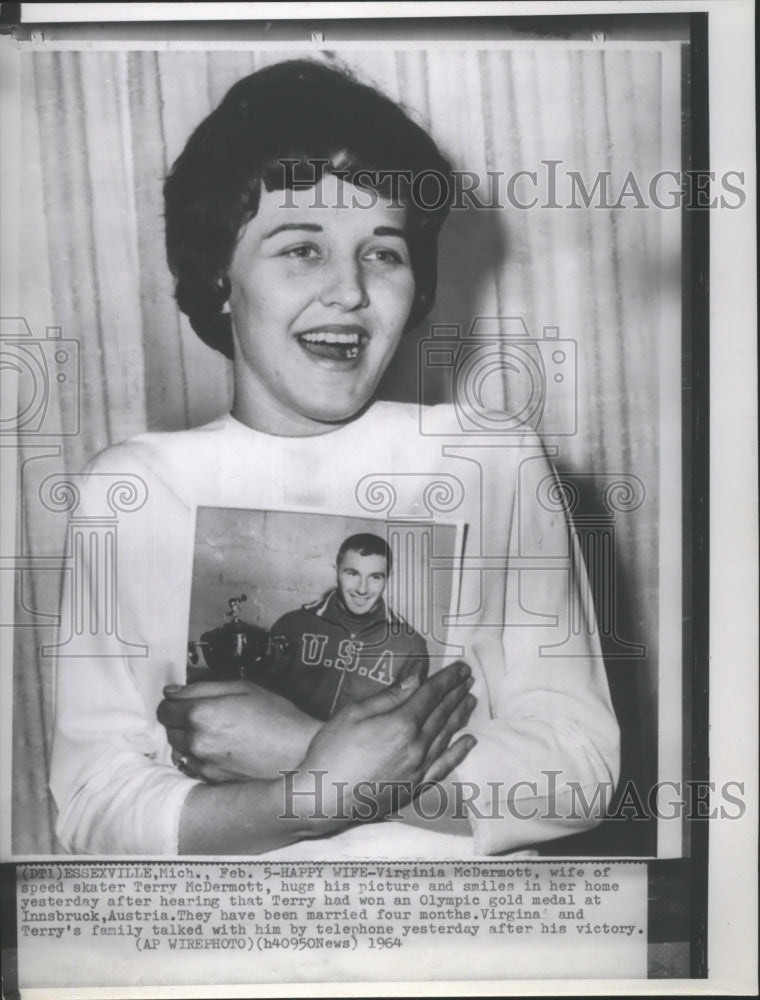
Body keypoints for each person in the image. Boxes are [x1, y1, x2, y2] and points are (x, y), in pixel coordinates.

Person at [49, 59, 620, 858]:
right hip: (229, 956)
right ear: (221, 278)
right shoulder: (136, 488)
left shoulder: (493, 461)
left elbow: (580, 771)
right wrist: (308, 796)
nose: (350, 291)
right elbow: (94, 805)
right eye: (302, 250)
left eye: (383, 252)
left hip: (461, 953)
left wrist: (300, 753)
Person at [266, 533, 429, 720]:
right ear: (337, 571)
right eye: (352, 574)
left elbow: (408, 720)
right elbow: (263, 699)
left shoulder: (410, 646)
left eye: (375, 577)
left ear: (388, 577)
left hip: (359, 749)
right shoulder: (293, 625)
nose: (362, 589)